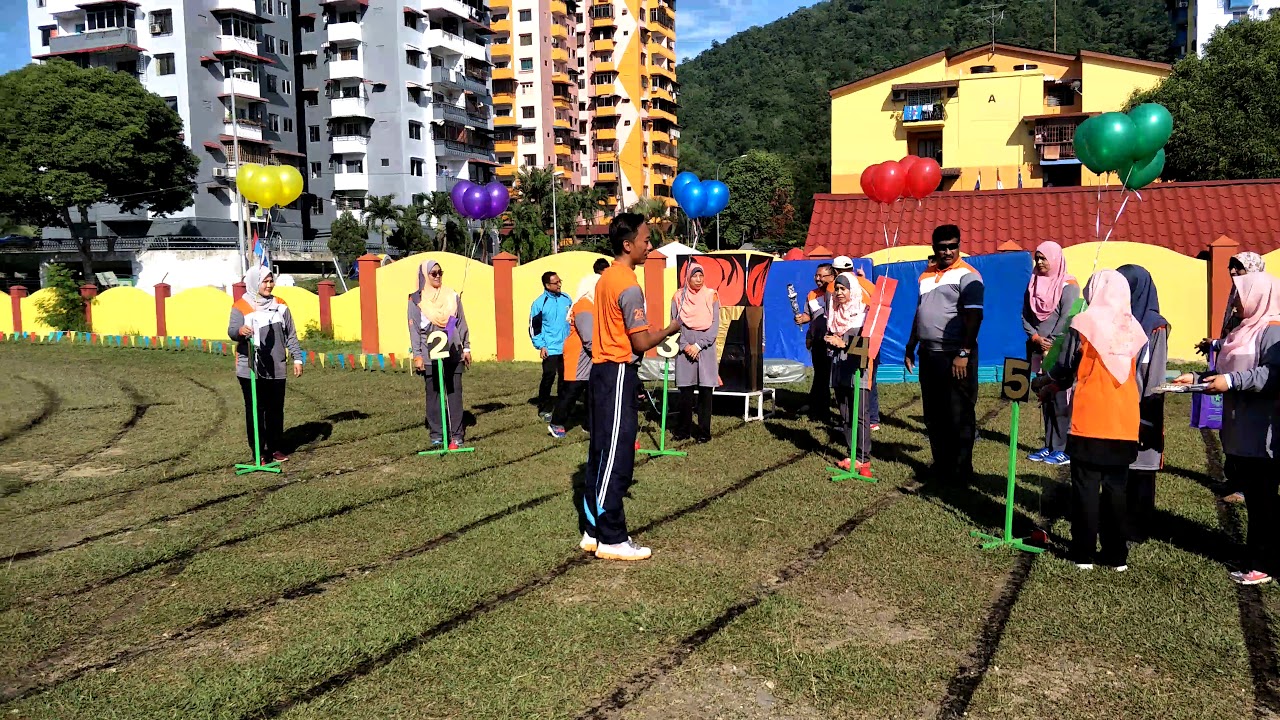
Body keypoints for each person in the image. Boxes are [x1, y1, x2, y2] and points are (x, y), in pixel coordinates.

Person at [582, 213, 681, 561]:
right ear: (628, 245)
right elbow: (640, 343)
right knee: (617, 455)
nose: (649, 245)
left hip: (602, 372)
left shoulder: (606, 277)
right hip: (617, 371)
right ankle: (611, 537)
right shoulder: (627, 284)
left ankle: (592, 529)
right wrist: (671, 328)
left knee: (600, 453)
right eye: (645, 239)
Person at [1173, 272, 1280, 585]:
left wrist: (1231, 382)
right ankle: (1255, 554)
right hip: (1238, 426)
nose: (1234, 300)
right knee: (1257, 497)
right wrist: (1196, 380)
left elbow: (1272, 376)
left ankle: (1264, 562)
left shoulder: (1272, 331)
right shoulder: (1243, 330)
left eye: (1241, 294)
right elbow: (1224, 371)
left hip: (1263, 431)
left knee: (1263, 500)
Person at [1039, 270, 1147, 571]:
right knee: (1116, 489)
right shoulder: (1134, 327)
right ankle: (1116, 555)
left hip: (1090, 416)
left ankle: (1083, 552)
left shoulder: (1083, 322)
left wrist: (1051, 383)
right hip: (1124, 418)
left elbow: (1065, 364)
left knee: (1085, 488)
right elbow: (1137, 374)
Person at [904, 225, 984, 484]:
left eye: (953, 245)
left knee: (959, 415)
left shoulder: (969, 275)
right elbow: (920, 312)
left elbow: (974, 317)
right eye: (943, 246)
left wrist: (964, 352)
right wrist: (910, 345)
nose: (948, 251)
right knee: (934, 415)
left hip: (956, 356)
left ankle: (961, 473)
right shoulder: (925, 275)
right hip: (929, 355)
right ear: (934, 248)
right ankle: (941, 466)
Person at [1197, 251, 1267, 504]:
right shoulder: (1239, 298)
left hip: (1253, 395)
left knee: (1252, 442)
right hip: (1236, 391)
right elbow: (1236, 337)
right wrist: (1216, 345)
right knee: (1233, 433)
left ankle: (1246, 487)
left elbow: (1268, 366)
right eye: (1231, 267)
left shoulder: (1268, 317)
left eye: (1240, 268)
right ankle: (1235, 480)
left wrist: (1231, 380)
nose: (1233, 272)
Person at [1116, 264, 1169, 544]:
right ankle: (1118, 519)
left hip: (1142, 403)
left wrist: (1146, 416)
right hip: (1116, 403)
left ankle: (1138, 525)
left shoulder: (1153, 325)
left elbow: (1155, 374)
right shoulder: (1114, 320)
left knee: (1142, 466)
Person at [228, 266, 303, 462]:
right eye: (265, 281)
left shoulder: (280, 305)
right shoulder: (240, 306)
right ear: (255, 282)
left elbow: (291, 334)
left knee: (275, 409)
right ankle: (259, 452)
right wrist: (241, 331)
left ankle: (276, 447)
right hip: (250, 368)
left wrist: (297, 358)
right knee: (255, 409)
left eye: (271, 281)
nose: (269, 285)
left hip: (276, 367)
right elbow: (232, 330)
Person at [1023, 241, 1080, 466]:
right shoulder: (1033, 283)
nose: (1039, 262)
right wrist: (1035, 337)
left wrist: (1051, 345)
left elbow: (1068, 319)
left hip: (1060, 351)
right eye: (1037, 258)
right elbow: (1025, 315)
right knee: (1043, 396)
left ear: (1055, 259)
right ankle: (1048, 445)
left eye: (1043, 258)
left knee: (1059, 398)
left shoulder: (1069, 286)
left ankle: (1062, 448)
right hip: (1037, 349)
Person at [409, 259, 472, 449]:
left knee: (454, 393)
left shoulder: (452, 296)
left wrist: (466, 348)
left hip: (453, 353)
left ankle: (457, 435)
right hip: (429, 355)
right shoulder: (416, 300)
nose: (437, 276)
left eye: (440, 273)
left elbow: (458, 323)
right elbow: (414, 331)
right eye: (433, 273)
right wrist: (418, 355)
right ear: (424, 276)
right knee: (434, 394)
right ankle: (437, 434)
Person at [825, 272, 873, 475]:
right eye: (836, 288)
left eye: (843, 288)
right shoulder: (834, 313)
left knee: (861, 415)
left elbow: (868, 346)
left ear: (852, 289)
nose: (839, 292)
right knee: (845, 414)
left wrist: (843, 343)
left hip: (858, 370)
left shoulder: (863, 313)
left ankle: (863, 458)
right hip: (839, 368)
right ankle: (851, 453)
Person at [671, 261, 720, 442]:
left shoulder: (711, 295)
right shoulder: (678, 297)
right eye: (694, 276)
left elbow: (714, 326)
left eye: (701, 276)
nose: (698, 279)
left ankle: (703, 432)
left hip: (705, 350)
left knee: (706, 393)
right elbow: (674, 325)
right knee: (685, 393)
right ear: (687, 277)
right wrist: (686, 346)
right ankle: (683, 430)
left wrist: (698, 345)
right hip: (685, 349)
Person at [549, 274, 597, 439]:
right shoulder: (584, 306)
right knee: (571, 391)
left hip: (589, 356)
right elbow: (587, 336)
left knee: (592, 391)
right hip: (579, 356)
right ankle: (556, 422)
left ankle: (590, 424)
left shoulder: (592, 305)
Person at [794, 263, 836, 421]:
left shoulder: (836, 291)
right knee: (820, 375)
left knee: (829, 376)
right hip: (817, 341)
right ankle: (818, 409)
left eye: (822, 276)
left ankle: (823, 409)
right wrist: (801, 319)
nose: (818, 279)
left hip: (834, 340)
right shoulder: (812, 294)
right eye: (816, 276)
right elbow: (808, 315)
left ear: (832, 277)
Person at [530, 271, 572, 421]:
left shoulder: (566, 299)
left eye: (560, 281)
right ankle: (544, 407)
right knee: (549, 376)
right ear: (547, 285)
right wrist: (541, 346)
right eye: (556, 282)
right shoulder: (539, 303)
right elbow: (534, 327)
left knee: (565, 378)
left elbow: (572, 321)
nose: (559, 284)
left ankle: (562, 408)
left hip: (566, 347)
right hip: (550, 348)